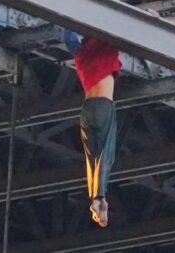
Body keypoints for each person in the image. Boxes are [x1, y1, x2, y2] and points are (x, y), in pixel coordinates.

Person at [63, 29, 121, 228]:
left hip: (90, 107)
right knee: (99, 156)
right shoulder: (107, 46)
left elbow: (69, 38)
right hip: (100, 107)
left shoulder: (82, 55)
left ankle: (99, 198)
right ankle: (97, 197)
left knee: (99, 154)